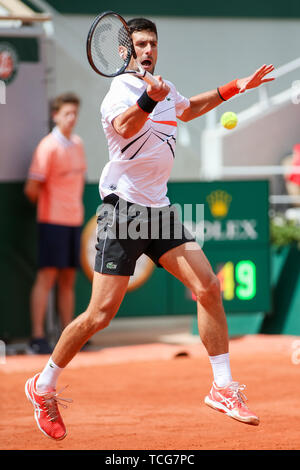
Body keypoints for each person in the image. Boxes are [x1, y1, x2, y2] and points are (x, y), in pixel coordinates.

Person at [25, 18, 275, 440]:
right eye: (139, 43)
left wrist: (237, 85)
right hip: (123, 212)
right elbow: (124, 127)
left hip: (158, 210)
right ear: (124, 51)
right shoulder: (118, 94)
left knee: (209, 286)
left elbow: (188, 108)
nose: (147, 50)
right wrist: (147, 98)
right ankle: (43, 384)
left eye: (152, 43)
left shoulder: (163, 86)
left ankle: (223, 387)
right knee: (99, 315)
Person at [24, 92, 87, 354]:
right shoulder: (47, 146)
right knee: (47, 277)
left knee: (69, 279)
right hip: (52, 221)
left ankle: (67, 336)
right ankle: (38, 337)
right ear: (55, 116)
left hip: (74, 220)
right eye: (67, 114)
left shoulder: (78, 144)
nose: (71, 118)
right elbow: (31, 188)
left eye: (74, 114)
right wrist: (51, 205)